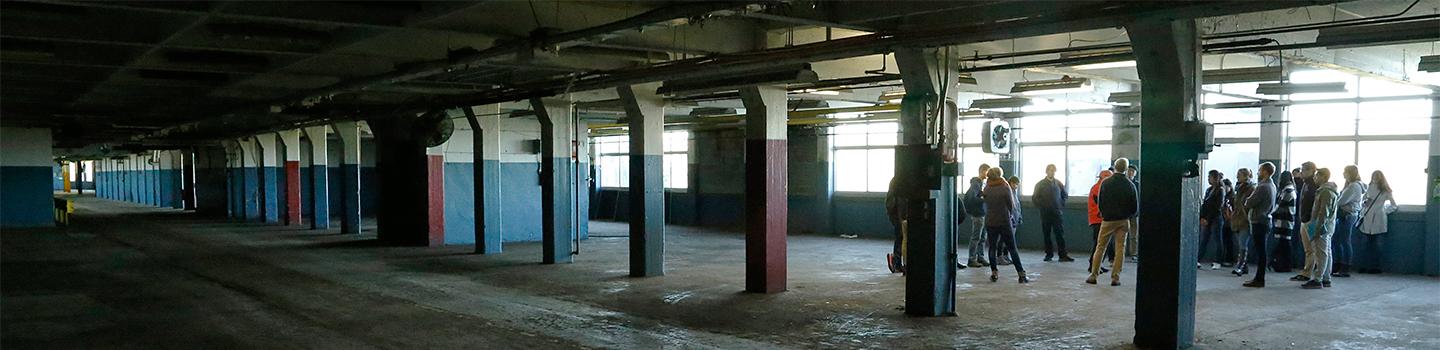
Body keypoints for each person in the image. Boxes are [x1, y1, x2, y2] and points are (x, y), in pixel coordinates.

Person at [1087, 158, 1138, 286]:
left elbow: (1101, 202)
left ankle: (1093, 275)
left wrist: (1104, 214)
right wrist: (1127, 215)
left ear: (1115, 167)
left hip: (1108, 220)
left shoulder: (1105, 183)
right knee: (1120, 248)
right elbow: (1135, 207)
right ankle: (1115, 278)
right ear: (1126, 169)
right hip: (1123, 220)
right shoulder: (1130, 185)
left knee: (1100, 247)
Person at [983, 167, 1028, 283]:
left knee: (992, 248)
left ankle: (994, 273)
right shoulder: (1005, 187)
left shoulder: (987, 187)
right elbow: (1011, 206)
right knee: (1012, 248)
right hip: (1004, 221)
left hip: (990, 221)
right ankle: (1021, 274)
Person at [1301, 168, 1340, 289]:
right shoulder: (1326, 191)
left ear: (1323, 177)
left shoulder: (1325, 192)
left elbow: (1323, 213)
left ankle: (1318, 279)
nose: (1315, 178)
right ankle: (1326, 278)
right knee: (1326, 252)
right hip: (1325, 226)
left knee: (1321, 253)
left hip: (1321, 226)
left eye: (1317, 175)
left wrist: (1316, 229)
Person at [1243, 163, 1277, 287]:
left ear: (1265, 172)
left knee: (1261, 252)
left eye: (1260, 170)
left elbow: (1249, 202)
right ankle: (1259, 278)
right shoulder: (1272, 185)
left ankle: (1259, 279)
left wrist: (1247, 200)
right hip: (1266, 220)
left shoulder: (1262, 187)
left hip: (1259, 221)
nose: (1258, 172)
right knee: (1262, 251)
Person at [1356, 170, 1397, 274]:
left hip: (1379, 220)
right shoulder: (1369, 187)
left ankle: (1376, 267)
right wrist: (1365, 203)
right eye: (1373, 176)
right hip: (1367, 218)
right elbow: (1363, 201)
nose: (1375, 178)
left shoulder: (1386, 191)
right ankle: (1364, 266)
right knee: (1364, 245)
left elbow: (1394, 205)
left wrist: (1384, 212)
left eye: (1377, 176)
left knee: (1378, 246)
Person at [1033, 164, 1073, 262]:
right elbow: (1035, 198)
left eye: (1053, 170)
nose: (1052, 172)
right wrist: (1042, 206)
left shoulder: (1058, 183)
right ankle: (1048, 254)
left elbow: (1064, 195)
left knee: (1059, 233)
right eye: (1050, 170)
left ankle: (1062, 255)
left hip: (1057, 212)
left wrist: (1061, 204)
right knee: (1047, 234)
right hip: (1045, 213)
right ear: (1046, 171)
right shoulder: (1040, 184)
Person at [1331, 165, 1366, 278]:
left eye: (1345, 172)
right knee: (1338, 240)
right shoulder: (1351, 185)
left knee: (1345, 241)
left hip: (1347, 215)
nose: (1343, 173)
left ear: (1350, 173)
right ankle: (1338, 264)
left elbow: (1341, 201)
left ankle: (1345, 266)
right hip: (1347, 215)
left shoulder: (1354, 186)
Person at [1291, 162, 1320, 282]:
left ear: (1311, 171)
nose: (1301, 172)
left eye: (1303, 170)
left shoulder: (1314, 185)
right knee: (1308, 249)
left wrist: (1311, 219)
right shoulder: (1305, 184)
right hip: (1304, 219)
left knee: (1313, 249)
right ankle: (1306, 272)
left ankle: (1313, 274)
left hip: (1311, 221)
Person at [1197, 170, 1229, 270]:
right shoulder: (1209, 190)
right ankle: (1198, 259)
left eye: (1210, 177)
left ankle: (1217, 261)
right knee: (1203, 239)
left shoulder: (1220, 190)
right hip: (1206, 217)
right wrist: (1202, 217)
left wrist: (1208, 218)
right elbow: (1205, 205)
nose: (1208, 179)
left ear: (1215, 178)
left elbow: (1217, 207)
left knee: (1217, 239)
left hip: (1216, 218)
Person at [1087, 169, 1115, 273]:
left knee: (1101, 244)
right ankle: (1093, 265)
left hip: (1099, 219)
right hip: (1098, 220)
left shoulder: (1099, 187)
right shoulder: (1099, 188)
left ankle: (1096, 265)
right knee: (1100, 244)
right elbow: (1103, 204)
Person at [964, 164, 992, 268]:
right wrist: (984, 199)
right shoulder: (976, 184)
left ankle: (980, 257)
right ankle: (972, 259)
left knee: (982, 237)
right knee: (976, 237)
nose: (988, 174)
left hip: (982, 213)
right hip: (978, 214)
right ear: (982, 171)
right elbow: (972, 198)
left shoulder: (982, 184)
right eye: (987, 171)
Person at [1229, 168, 1255, 276]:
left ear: (1246, 176)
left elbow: (1247, 204)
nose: (1237, 177)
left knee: (1242, 244)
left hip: (1245, 219)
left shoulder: (1251, 188)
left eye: (1239, 175)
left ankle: (1240, 266)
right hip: (1237, 218)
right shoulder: (1239, 188)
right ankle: (1244, 266)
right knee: (1240, 243)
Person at [1271, 170, 1298, 273]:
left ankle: (1285, 265)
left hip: (1284, 220)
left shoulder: (1287, 190)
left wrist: (1270, 213)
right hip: (1285, 220)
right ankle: (1283, 264)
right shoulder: (1290, 189)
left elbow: (1279, 205)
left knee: (1284, 244)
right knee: (1284, 243)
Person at [993, 175, 1023, 266]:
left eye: (1018, 185)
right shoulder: (1006, 191)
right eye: (1015, 184)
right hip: (1007, 219)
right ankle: (999, 256)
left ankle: (1006, 255)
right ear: (1011, 183)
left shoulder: (1014, 192)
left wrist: (1019, 217)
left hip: (1015, 219)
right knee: (1002, 239)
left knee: (1010, 240)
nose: (1016, 186)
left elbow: (1017, 206)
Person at [885, 177, 906, 273]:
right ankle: (896, 262)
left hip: (898, 215)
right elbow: (893, 203)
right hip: (899, 216)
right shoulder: (899, 181)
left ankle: (896, 262)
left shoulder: (896, 181)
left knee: (900, 238)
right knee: (901, 238)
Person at [1124, 165, 1140, 263]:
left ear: (1135, 173)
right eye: (1129, 171)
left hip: (1134, 214)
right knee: (1122, 234)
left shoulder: (1138, 185)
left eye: (1132, 171)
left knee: (1134, 235)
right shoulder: (1123, 183)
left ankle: (1133, 253)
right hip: (1124, 213)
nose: (1130, 173)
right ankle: (1122, 252)